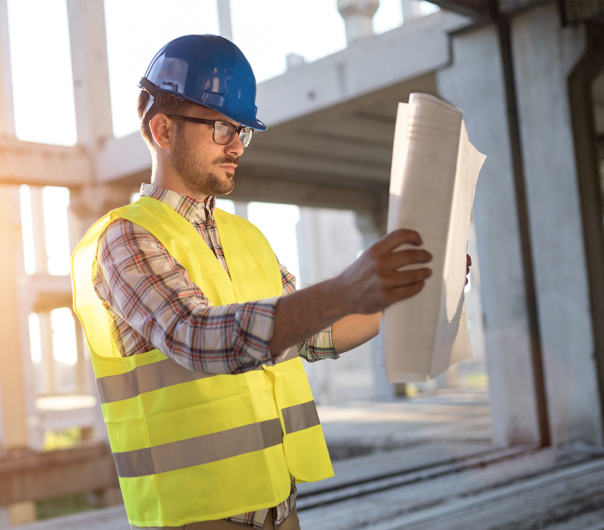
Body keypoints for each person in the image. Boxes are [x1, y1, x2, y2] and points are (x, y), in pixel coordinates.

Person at [71, 35, 469, 530]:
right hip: (195, 516)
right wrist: (346, 288)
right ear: (162, 128)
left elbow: (315, 333)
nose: (237, 145)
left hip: (280, 509)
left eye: (241, 131)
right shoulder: (124, 238)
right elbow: (197, 338)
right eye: (221, 128)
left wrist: (402, 289)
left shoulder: (246, 237)